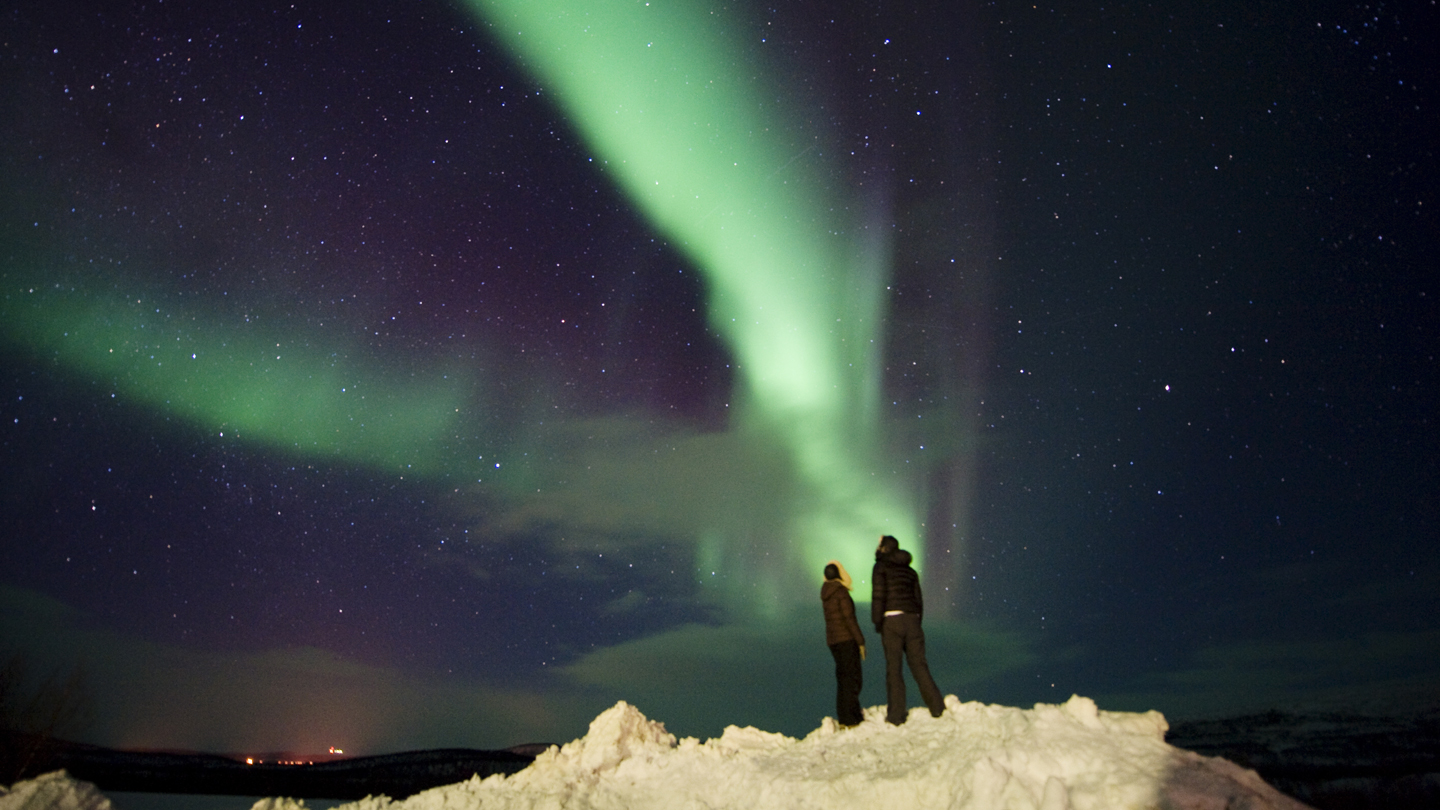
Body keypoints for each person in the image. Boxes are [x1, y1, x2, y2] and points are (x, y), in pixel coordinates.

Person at [871, 535, 945, 724]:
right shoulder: (910, 572)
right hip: (912, 620)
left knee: (894, 669)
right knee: (919, 665)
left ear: (885, 548)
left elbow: (879, 596)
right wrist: (916, 621)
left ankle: (896, 715)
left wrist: (877, 621)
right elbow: (918, 601)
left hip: (892, 621)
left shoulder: (880, 568)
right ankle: (937, 708)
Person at [821, 560, 865, 727]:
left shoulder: (826, 592)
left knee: (843, 679)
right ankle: (850, 718)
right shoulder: (840, 593)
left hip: (834, 641)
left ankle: (847, 716)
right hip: (846, 640)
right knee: (852, 679)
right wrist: (860, 641)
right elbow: (849, 619)